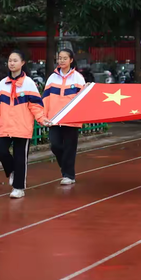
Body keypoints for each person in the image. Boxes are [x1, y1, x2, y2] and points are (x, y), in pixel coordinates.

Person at [0, 50, 48, 198]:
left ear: (22, 63)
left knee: (20, 157)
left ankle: (19, 188)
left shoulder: (28, 83)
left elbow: (35, 105)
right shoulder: (2, 84)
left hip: (22, 126)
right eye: (10, 60)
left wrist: (41, 119)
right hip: (5, 126)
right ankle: (12, 170)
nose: (12, 63)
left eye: (15, 60)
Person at [43, 49, 86, 185]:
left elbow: (83, 99)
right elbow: (46, 98)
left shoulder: (78, 78)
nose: (61, 61)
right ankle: (65, 167)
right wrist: (44, 116)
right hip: (55, 119)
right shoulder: (52, 78)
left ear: (71, 60)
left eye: (64, 58)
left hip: (71, 119)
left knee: (69, 147)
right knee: (55, 145)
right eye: (59, 58)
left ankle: (69, 175)